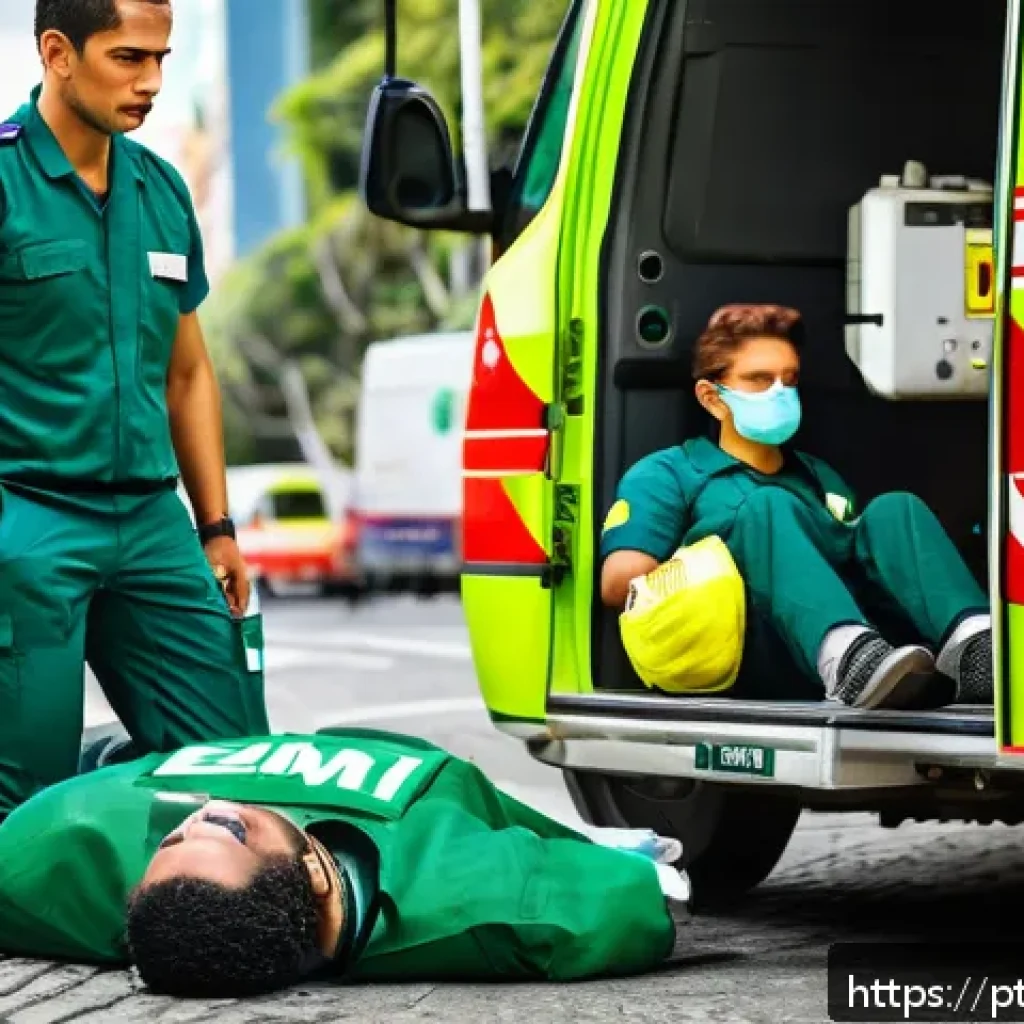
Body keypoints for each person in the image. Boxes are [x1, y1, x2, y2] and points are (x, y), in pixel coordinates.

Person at [0, 0, 269, 820]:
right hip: (28, 519)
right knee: (24, 806)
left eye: (162, 58)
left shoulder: (160, 189)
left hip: (152, 522)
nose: (152, 81)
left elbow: (186, 374)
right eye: (129, 58)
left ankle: (115, 773)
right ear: (58, 52)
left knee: (241, 779)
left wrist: (216, 526)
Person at [0, 728, 691, 997]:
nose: (197, 814)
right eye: (229, 826)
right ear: (316, 871)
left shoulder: (53, 849)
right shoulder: (476, 898)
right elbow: (642, 902)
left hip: (114, 762)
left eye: (168, 842)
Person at [600, 304, 991, 710]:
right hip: (753, 643)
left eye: (789, 380)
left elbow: (858, 559)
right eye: (759, 380)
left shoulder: (817, 476)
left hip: (871, 644)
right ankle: (845, 656)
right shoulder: (669, 473)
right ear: (712, 398)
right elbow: (617, 583)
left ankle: (977, 650)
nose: (779, 393)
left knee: (897, 509)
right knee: (767, 507)